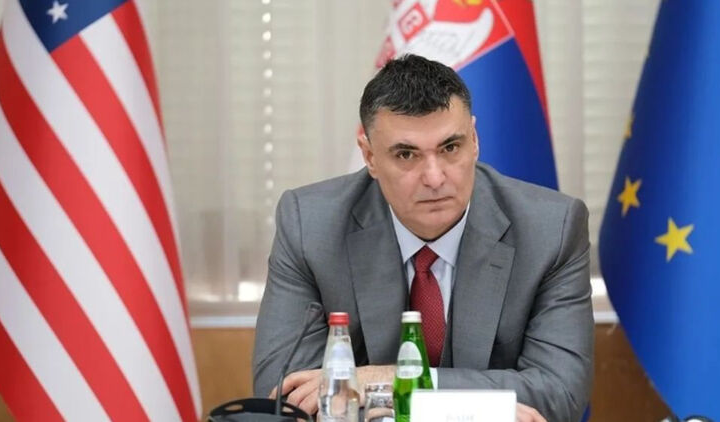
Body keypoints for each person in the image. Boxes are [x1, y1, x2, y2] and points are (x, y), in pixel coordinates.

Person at [252, 54, 593, 422]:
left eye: (450, 148)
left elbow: (558, 394)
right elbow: (286, 395)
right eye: (406, 154)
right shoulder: (311, 225)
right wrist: (475, 404)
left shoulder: (550, 230)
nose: (434, 178)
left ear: (474, 140)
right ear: (369, 155)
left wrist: (388, 380)